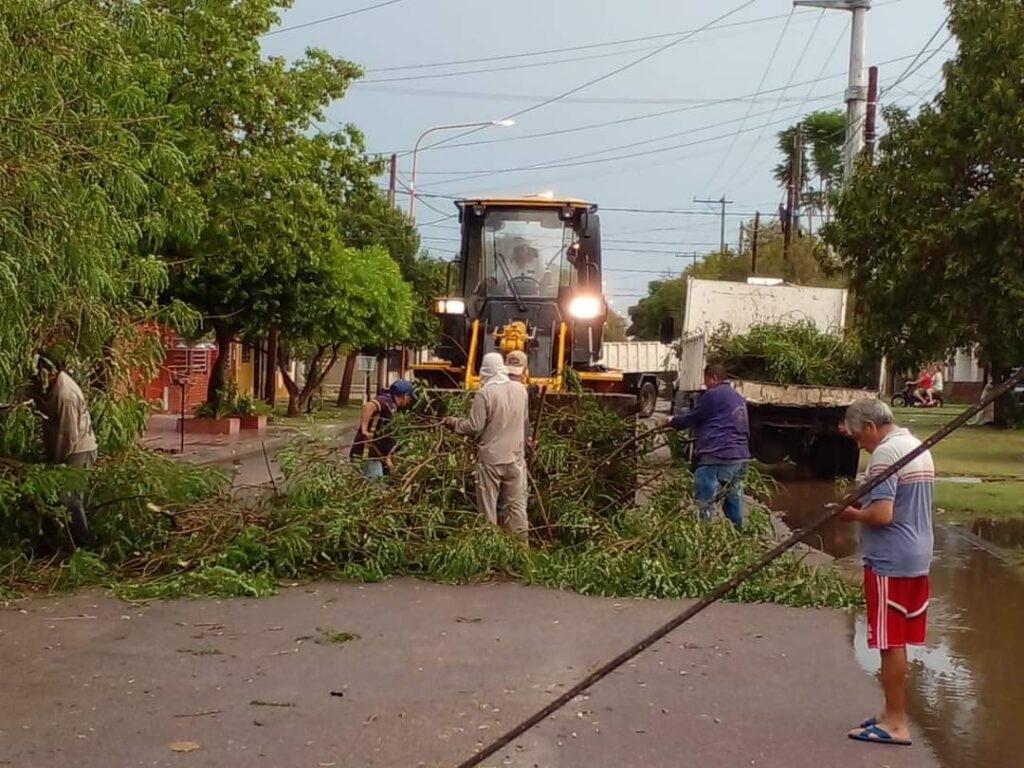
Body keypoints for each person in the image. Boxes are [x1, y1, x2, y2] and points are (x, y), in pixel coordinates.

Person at [840, 398, 934, 747]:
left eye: (856, 437)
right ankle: (890, 711)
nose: (858, 444)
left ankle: (896, 722)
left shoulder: (884, 455)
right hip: (917, 555)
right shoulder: (914, 446)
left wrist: (851, 515)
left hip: (890, 560)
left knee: (888, 641)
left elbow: (881, 515)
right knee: (896, 639)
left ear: (869, 427)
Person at [444, 352, 530, 541]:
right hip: (515, 458)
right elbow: (525, 422)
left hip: (492, 460)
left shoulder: (485, 393)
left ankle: (489, 546)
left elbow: (474, 427)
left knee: (488, 506)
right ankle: (520, 548)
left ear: (485, 372)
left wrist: (454, 423)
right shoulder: (521, 390)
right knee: (516, 507)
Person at [662, 363, 750, 529]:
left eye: (706, 380)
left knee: (705, 503)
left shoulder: (712, 395)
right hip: (740, 457)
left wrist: (671, 421)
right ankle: (738, 536)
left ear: (714, 378)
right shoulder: (738, 397)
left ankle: (703, 538)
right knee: (733, 501)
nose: (705, 385)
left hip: (716, 456)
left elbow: (691, 419)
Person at [35, 347, 98, 548]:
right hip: (66, 447)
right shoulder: (53, 386)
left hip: (77, 450)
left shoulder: (66, 395)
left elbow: (68, 434)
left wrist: (58, 461)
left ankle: (84, 547)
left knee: (70, 500)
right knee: (51, 495)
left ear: (51, 372)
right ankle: (48, 542)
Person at [350, 379, 415, 479]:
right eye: (409, 397)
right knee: (375, 486)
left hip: (376, 455)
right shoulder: (386, 400)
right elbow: (368, 406)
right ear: (404, 395)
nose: (409, 401)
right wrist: (364, 429)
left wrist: (389, 463)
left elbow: (385, 440)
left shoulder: (393, 408)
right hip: (366, 454)